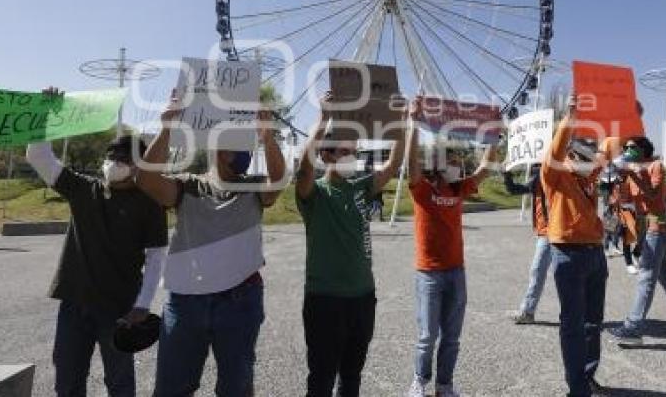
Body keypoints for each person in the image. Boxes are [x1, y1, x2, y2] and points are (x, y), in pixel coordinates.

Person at [137, 98, 286, 396]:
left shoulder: (253, 187)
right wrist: (166, 128)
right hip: (185, 303)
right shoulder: (187, 185)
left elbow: (278, 180)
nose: (241, 152)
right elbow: (147, 179)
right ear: (215, 149)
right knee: (172, 388)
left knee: (237, 386)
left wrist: (268, 137)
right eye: (233, 144)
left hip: (240, 301)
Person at [25, 89, 168, 397]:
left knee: (119, 384)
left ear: (139, 165)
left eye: (123, 158)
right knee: (67, 380)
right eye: (111, 156)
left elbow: (157, 256)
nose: (114, 162)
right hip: (74, 303)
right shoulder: (82, 189)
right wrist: (44, 113)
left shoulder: (149, 203)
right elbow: (37, 156)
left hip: (120, 308)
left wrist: (142, 306)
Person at [295, 93, 405, 397]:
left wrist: (402, 124)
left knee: (352, 377)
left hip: (363, 298)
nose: (352, 158)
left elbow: (394, 163)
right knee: (320, 378)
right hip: (324, 300)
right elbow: (304, 169)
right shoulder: (314, 194)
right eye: (345, 152)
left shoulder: (362, 186)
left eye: (354, 152)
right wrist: (323, 119)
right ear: (328, 155)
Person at [407, 109, 498, 397]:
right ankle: (419, 382)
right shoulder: (421, 189)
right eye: (455, 161)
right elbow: (411, 163)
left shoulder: (459, 189)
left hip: (456, 271)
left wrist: (495, 138)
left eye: (461, 161)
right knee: (426, 337)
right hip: (429, 272)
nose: (460, 165)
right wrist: (413, 124)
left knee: (452, 337)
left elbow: (485, 167)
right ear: (439, 164)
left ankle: (444, 385)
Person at [540, 96, 608, 397]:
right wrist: (570, 115)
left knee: (594, 323)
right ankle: (577, 388)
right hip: (568, 253)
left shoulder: (589, 175)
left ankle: (588, 375)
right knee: (573, 325)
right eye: (584, 152)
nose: (591, 158)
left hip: (595, 253)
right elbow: (556, 147)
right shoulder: (554, 174)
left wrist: (623, 117)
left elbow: (610, 148)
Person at [608, 136, 666, 343]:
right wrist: (618, 181)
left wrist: (634, 172)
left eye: (632, 147)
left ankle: (633, 327)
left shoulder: (655, 166)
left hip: (656, 228)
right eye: (626, 147)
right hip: (645, 229)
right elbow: (625, 200)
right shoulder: (630, 171)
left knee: (646, 276)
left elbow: (652, 193)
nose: (628, 150)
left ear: (644, 149)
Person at [503, 163, 554, 324]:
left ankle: (527, 311)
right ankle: (528, 311)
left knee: (540, 270)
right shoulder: (535, 183)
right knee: (538, 271)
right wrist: (507, 175)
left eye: (536, 169)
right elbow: (514, 190)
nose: (532, 174)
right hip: (544, 233)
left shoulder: (554, 180)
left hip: (553, 233)